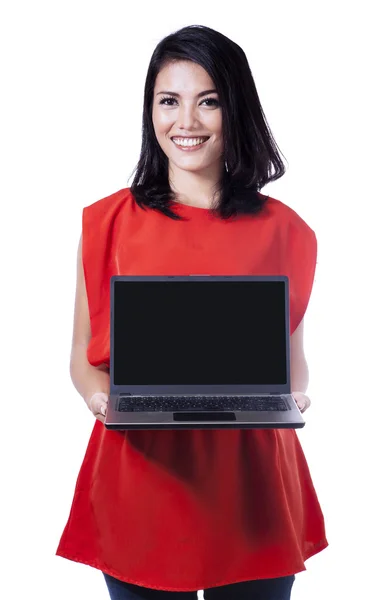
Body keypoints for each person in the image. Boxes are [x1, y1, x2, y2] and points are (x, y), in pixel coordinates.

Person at [56, 24, 328, 600]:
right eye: (168, 101)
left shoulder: (287, 230)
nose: (186, 122)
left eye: (208, 101)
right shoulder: (106, 224)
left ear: (236, 109)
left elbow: (293, 362)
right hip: (144, 480)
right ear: (150, 112)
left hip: (250, 486)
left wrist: (294, 396)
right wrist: (97, 397)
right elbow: (84, 360)